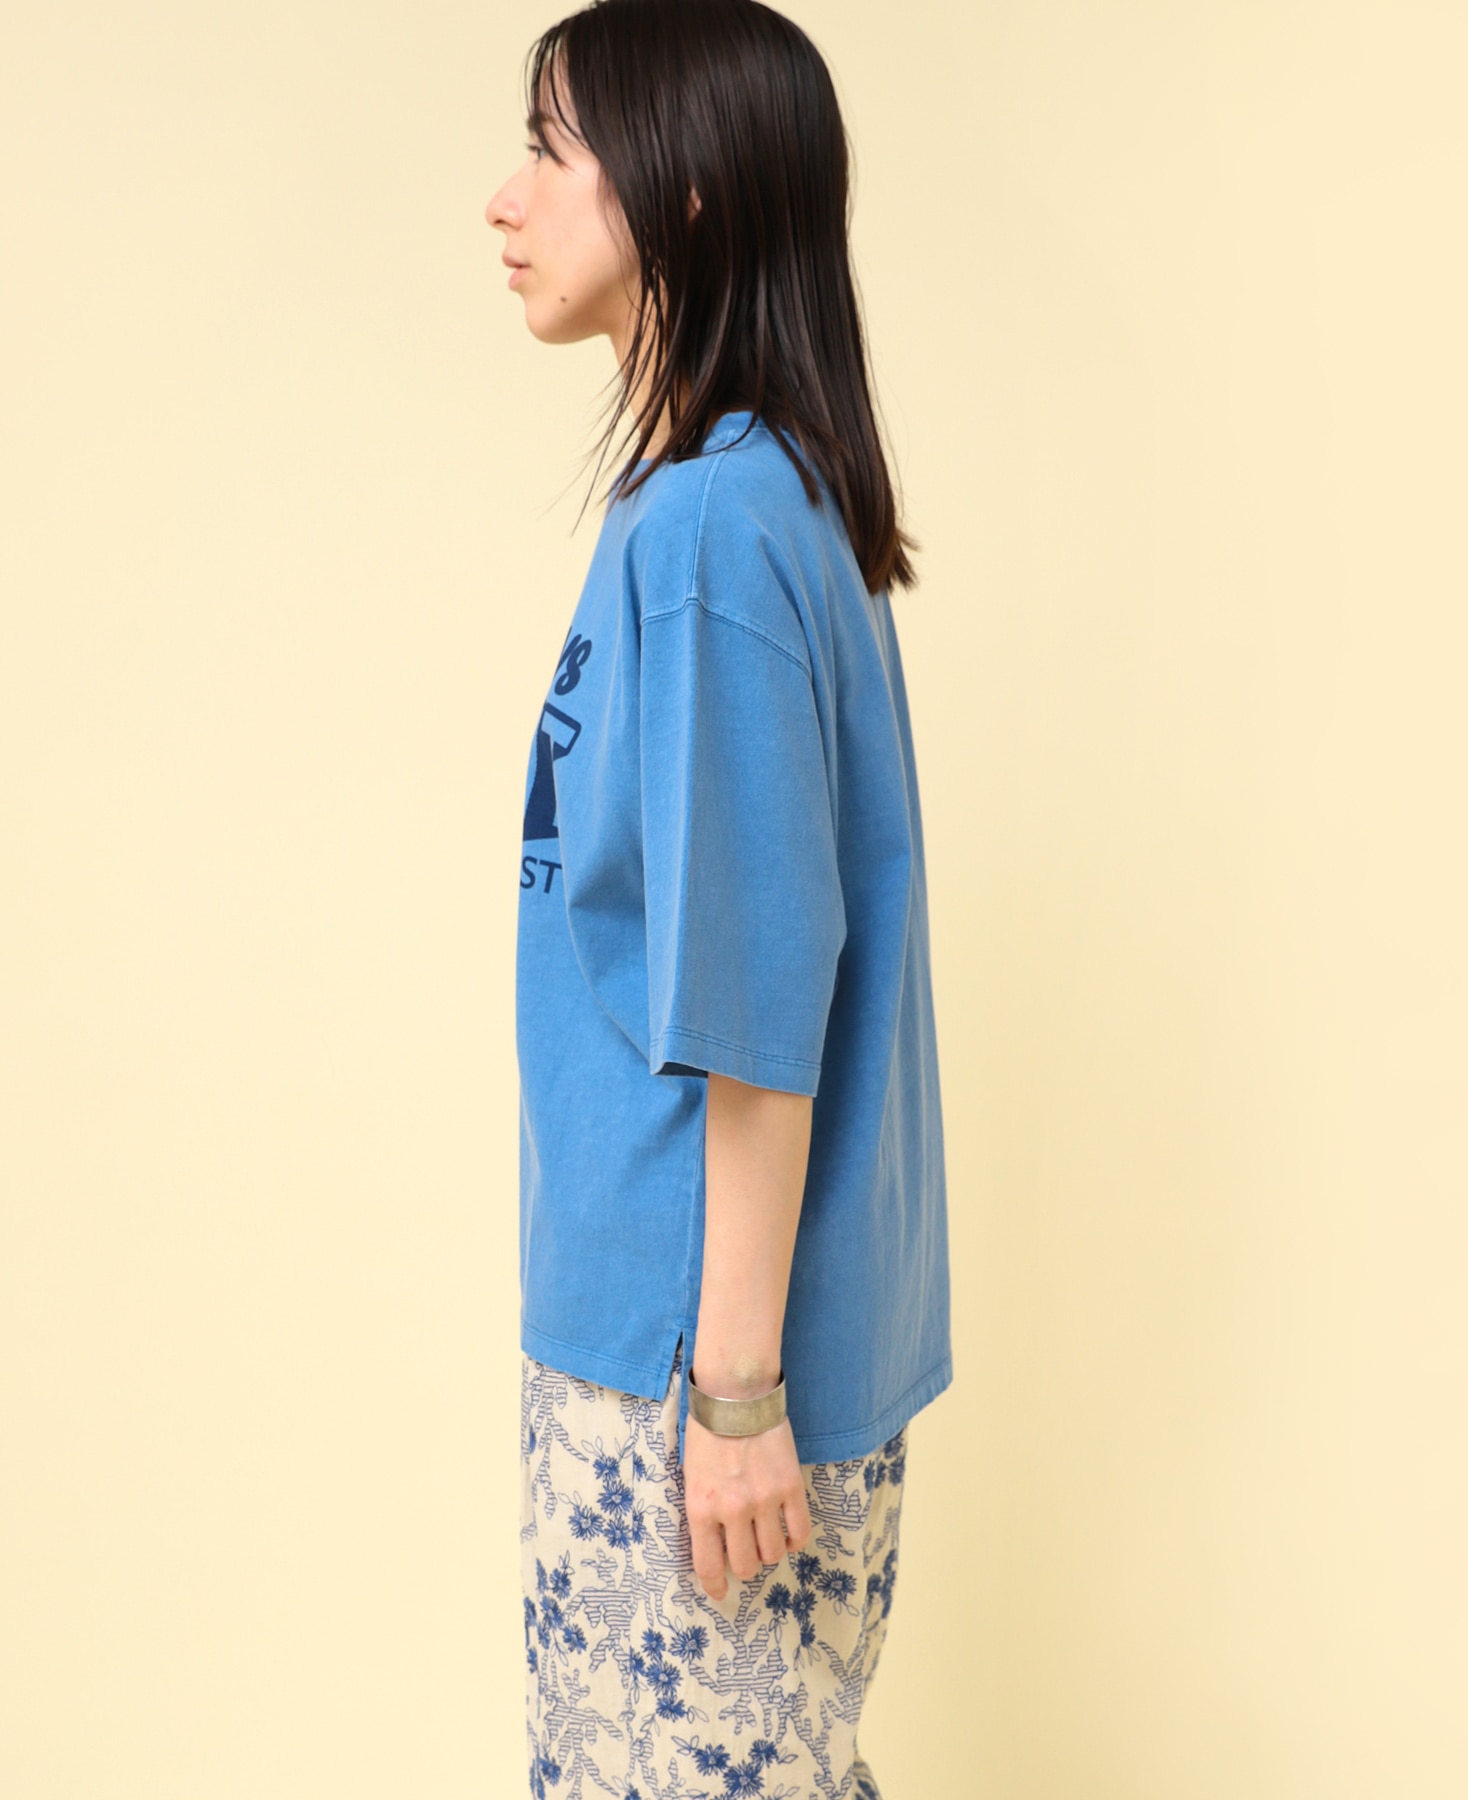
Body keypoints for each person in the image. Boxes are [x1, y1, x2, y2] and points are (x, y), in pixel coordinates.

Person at [484, 3, 952, 1794]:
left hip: (689, 1367)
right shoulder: (771, 505)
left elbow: (759, 995)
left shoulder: (707, 536)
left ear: (680, 192)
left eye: (552, 149)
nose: (508, 198)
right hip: (720, 1350)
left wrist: (735, 1393)